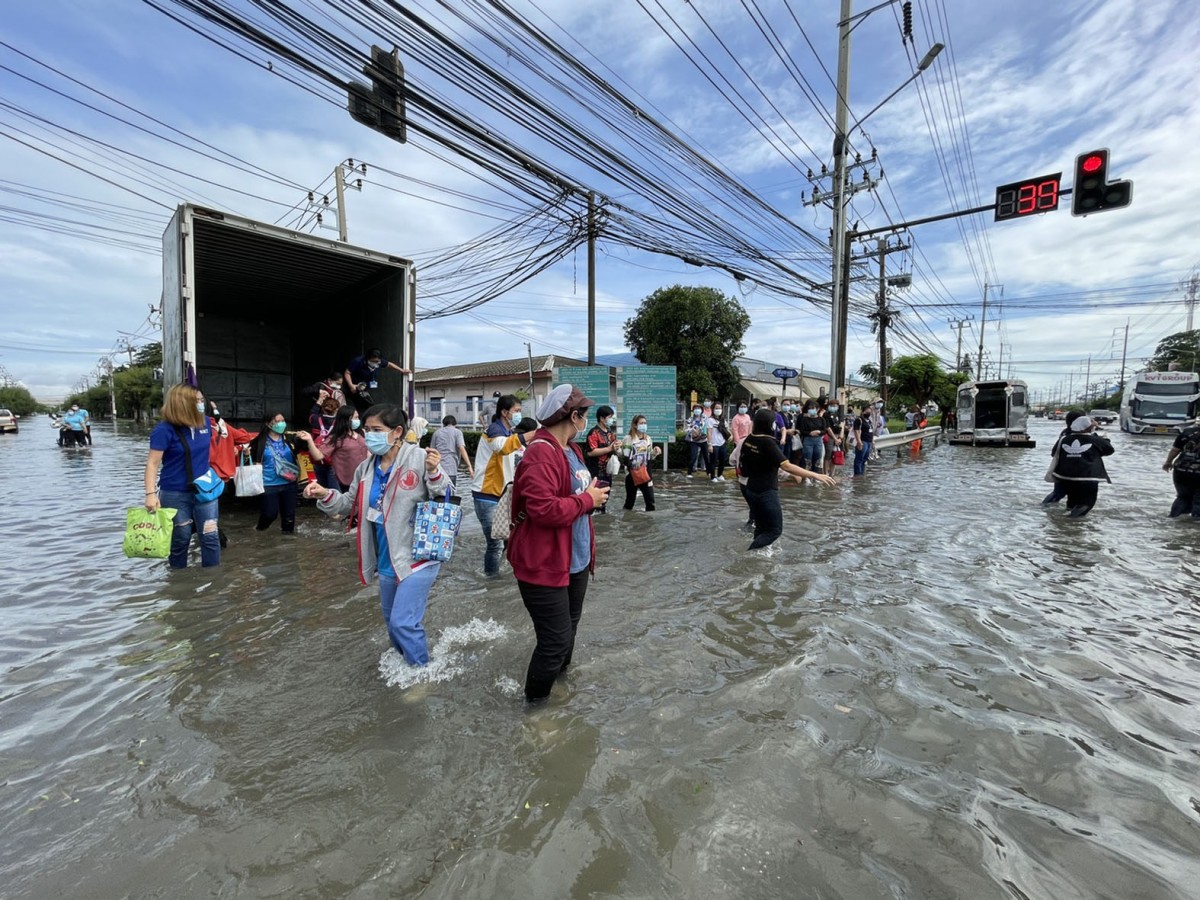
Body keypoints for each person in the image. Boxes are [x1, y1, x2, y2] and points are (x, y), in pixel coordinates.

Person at [304, 405, 453, 666]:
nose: (368, 436)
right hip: (386, 559)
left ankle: (421, 674)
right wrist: (323, 494)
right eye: (366, 430)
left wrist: (434, 472)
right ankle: (406, 664)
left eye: (376, 430)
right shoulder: (366, 468)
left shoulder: (419, 458)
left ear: (397, 432)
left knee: (403, 623)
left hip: (417, 556)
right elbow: (348, 503)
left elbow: (446, 496)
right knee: (391, 624)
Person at [506, 384, 609, 702]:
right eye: (585, 414)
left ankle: (559, 688)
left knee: (568, 632)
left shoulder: (573, 450)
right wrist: (586, 501)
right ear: (574, 416)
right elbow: (543, 509)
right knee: (553, 642)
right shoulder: (540, 453)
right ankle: (534, 710)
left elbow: (571, 494)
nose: (587, 420)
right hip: (545, 562)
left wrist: (590, 493)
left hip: (574, 559)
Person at [143, 384, 220, 568]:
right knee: (181, 537)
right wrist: (150, 494)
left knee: (210, 536)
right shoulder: (164, 430)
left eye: (202, 400)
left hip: (205, 491)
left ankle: (214, 586)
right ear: (183, 404)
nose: (202, 404)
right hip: (175, 493)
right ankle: (178, 583)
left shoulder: (206, 423)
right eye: (198, 401)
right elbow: (152, 463)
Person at [739, 408, 835, 549]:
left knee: (760, 528)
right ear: (771, 425)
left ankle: (756, 560)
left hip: (751, 488)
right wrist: (815, 474)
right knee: (774, 531)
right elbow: (787, 466)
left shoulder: (749, 439)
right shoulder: (768, 443)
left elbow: (744, 467)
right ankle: (749, 554)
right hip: (766, 491)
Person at [471, 394, 522, 576]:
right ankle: (492, 582)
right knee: (495, 543)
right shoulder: (494, 430)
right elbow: (503, 447)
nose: (518, 415)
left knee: (508, 538)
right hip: (486, 494)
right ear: (505, 412)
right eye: (516, 411)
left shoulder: (508, 432)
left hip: (501, 494)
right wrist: (528, 436)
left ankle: (504, 572)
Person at [248, 412, 318, 533]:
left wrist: (308, 439)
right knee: (270, 514)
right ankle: (259, 530)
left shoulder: (291, 438)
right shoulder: (259, 442)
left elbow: (309, 450)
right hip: (268, 484)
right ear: (268, 423)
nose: (282, 423)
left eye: (283, 420)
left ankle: (288, 542)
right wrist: (245, 455)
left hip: (289, 483)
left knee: (289, 517)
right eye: (277, 421)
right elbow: (249, 462)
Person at [204, 399, 256, 548]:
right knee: (211, 517)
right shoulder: (223, 426)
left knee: (206, 518)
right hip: (224, 480)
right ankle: (220, 543)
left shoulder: (203, 429)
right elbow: (245, 437)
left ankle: (220, 543)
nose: (216, 410)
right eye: (214, 408)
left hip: (207, 480)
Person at [1050, 415, 1114, 517]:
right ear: (1090, 427)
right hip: (1088, 478)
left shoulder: (1063, 439)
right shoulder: (1095, 439)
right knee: (1086, 504)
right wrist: (1105, 439)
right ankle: (1070, 522)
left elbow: (1054, 454)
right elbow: (1109, 450)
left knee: (1071, 503)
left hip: (1065, 477)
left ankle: (1063, 526)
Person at [309, 405, 369, 492]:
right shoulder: (336, 438)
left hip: (364, 478)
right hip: (346, 482)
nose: (358, 420)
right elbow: (318, 456)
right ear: (347, 419)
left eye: (358, 417)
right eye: (355, 418)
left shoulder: (361, 434)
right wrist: (309, 441)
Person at [343, 348, 411, 413]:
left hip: (363, 387)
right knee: (351, 407)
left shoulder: (379, 362)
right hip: (352, 386)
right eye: (373, 361)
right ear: (367, 359)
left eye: (377, 361)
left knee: (369, 406)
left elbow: (389, 364)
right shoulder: (358, 361)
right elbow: (347, 373)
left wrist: (401, 370)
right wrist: (351, 385)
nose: (376, 363)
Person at [1041, 410, 1085, 506]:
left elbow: (1054, 453)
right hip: (1079, 473)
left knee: (1058, 493)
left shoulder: (1065, 433)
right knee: (1067, 495)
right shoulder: (1084, 436)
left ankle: (1044, 509)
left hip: (1062, 471)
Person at [584, 405, 622, 512]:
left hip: (608, 472)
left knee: (604, 499)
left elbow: (613, 447)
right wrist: (610, 448)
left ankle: (602, 519)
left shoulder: (610, 432)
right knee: (594, 500)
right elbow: (591, 452)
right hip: (596, 472)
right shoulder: (594, 433)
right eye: (610, 417)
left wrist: (617, 446)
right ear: (601, 418)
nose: (612, 420)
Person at [621, 414, 662, 511]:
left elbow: (649, 457)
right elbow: (625, 458)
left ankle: (649, 524)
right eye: (641, 423)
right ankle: (625, 522)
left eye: (645, 423)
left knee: (651, 503)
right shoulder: (628, 439)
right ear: (635, 425)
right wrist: (633, 466)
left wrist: (655, 452)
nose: (644, 425)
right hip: (632, 475)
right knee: (630, 502)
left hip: (646, 474)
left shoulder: (648, 439)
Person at [1163, 420, 1200, 518]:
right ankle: (1194, 527)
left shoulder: (1187, 432)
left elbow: (1175, 449)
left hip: (1181, 471)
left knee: (1183, 497)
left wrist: (1168, 462)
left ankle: (1174, 518)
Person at [430, 415, 474, 486]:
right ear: (455, 424)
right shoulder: (457, 432)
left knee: (438, 493)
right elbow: (462, 449)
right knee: (450, 494)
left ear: (444, 423)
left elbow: (432, 451)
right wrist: (469, 466)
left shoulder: (436, 433)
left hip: (438, 469)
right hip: (451, 469)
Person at [797, 400, 829, 472]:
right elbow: (802, 431)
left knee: (817, 459)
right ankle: (806, 476)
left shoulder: (821, 419)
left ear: (817, 409)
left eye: (813, 408)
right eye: (810, 408)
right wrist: (810, 433)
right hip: (808, 440)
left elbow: (824, 430)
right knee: (807, 459)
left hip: (818, 441)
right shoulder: (804, 419)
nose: (811, 410)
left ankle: (816, 475)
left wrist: (819, 432)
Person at [684, 403, 710, 478]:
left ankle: (709, 472)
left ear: (701, 410)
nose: (697, 410)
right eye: (695, 408)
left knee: (706, 457)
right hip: (694, 441)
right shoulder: (690, 419)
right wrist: (693, 431)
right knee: (693, 457)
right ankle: (689, 473)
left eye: (699, 408)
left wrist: (699, 431)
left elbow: (707, 427)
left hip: (703, 440)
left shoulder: (705, 418)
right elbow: (687, 429)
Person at [707, 403, 730, 481]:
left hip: (722, 443)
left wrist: (731, 435)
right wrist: (710, 444)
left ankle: (720, 474)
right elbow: (709, 432)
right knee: (713, 461)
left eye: (720, 408)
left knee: (722, 460)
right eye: (716, 408)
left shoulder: (723, 420)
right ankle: (713, 476)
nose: (718, 410)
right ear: (713, 409)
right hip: (714, 443)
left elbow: (727, 429)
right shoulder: (710, 420)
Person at [823, 399, 845, 475]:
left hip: (838, 436)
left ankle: (832, 473)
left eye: (835, 406)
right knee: (828, 455)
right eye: (831, 406)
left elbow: (842, 424)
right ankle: (825, 472)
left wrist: (840, 437)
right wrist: (835, 438)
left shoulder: (839, 414)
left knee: (836, 454)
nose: (833, 407)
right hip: (830, 436)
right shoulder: (826, 414)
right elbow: (827, 427)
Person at [853, 404, 875, 476]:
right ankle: (857, 474)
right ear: (863, 412)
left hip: (869, 441)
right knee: (859, 458)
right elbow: (856, 430)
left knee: (865, 459)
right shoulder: (859, 420)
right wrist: (859, 442)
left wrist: (872, 441)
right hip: (863, 441)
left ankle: (861, 473)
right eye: (867, 411)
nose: (869, 413)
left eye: (870, 411)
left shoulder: (869, 421)